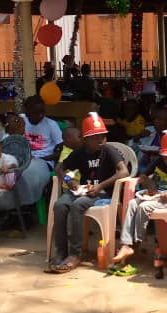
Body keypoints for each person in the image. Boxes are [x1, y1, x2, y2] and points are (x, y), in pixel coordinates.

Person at [48, 113, 129, 273]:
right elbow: (59, 168)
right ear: (85, 139)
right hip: (83, 190)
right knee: (60, 205)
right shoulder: (79, 153)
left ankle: (75, 254)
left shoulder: (108, 150)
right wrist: (68, 181)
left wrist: (100, 187)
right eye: (95, 137)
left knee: (78, 205)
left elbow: (124, 172)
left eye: (103, 136)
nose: (100, 140)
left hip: (103, 192)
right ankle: (61, 251)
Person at [111, 130, 167, 271]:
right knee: (132, 203)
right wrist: (149, 184)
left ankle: (137, 241)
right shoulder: (159, 162)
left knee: (143, 207)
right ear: (162, 154)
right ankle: (126, 244)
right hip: (153, 196)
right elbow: (143, 174)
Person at [22, 95, 64, 171]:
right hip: (24, 160)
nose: (41, 115)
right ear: (28, 112)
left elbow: (63, 150)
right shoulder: (21, 121)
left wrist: (42, 159)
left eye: (42, 112)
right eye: (36, 113)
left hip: (45, 162)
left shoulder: (51, 124)